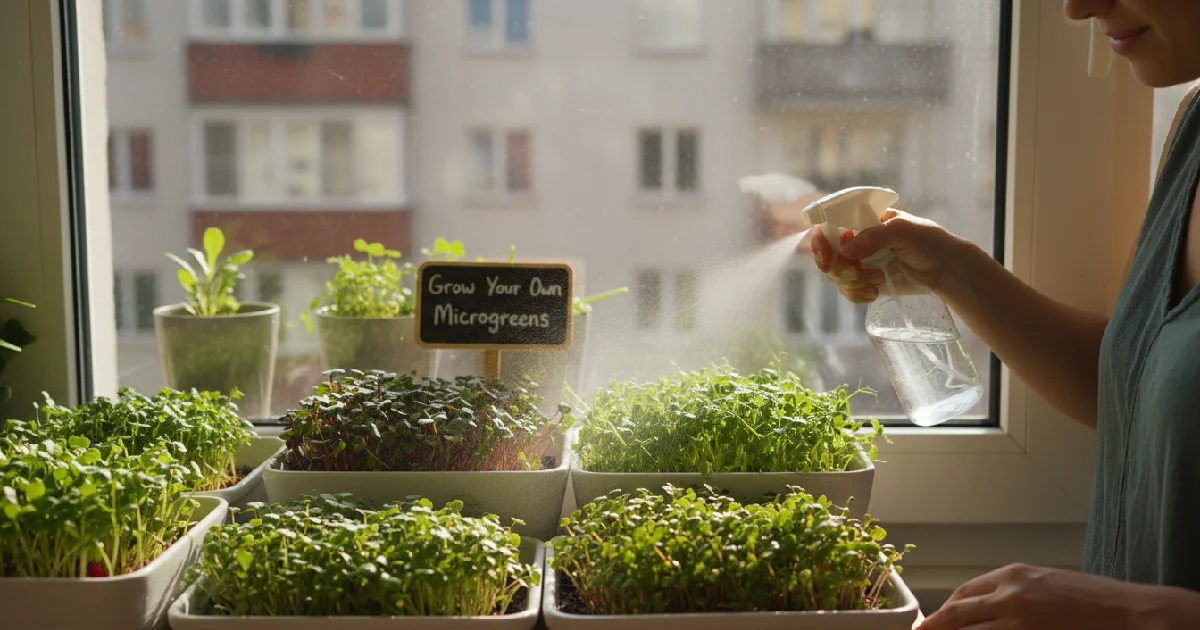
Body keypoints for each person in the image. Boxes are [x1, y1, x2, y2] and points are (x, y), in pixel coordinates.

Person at [809, 1, 1200, 628]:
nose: (1076, 8)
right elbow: (1138, 391)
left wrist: (1129, 614)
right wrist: (949, 269)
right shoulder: (1193, 131)